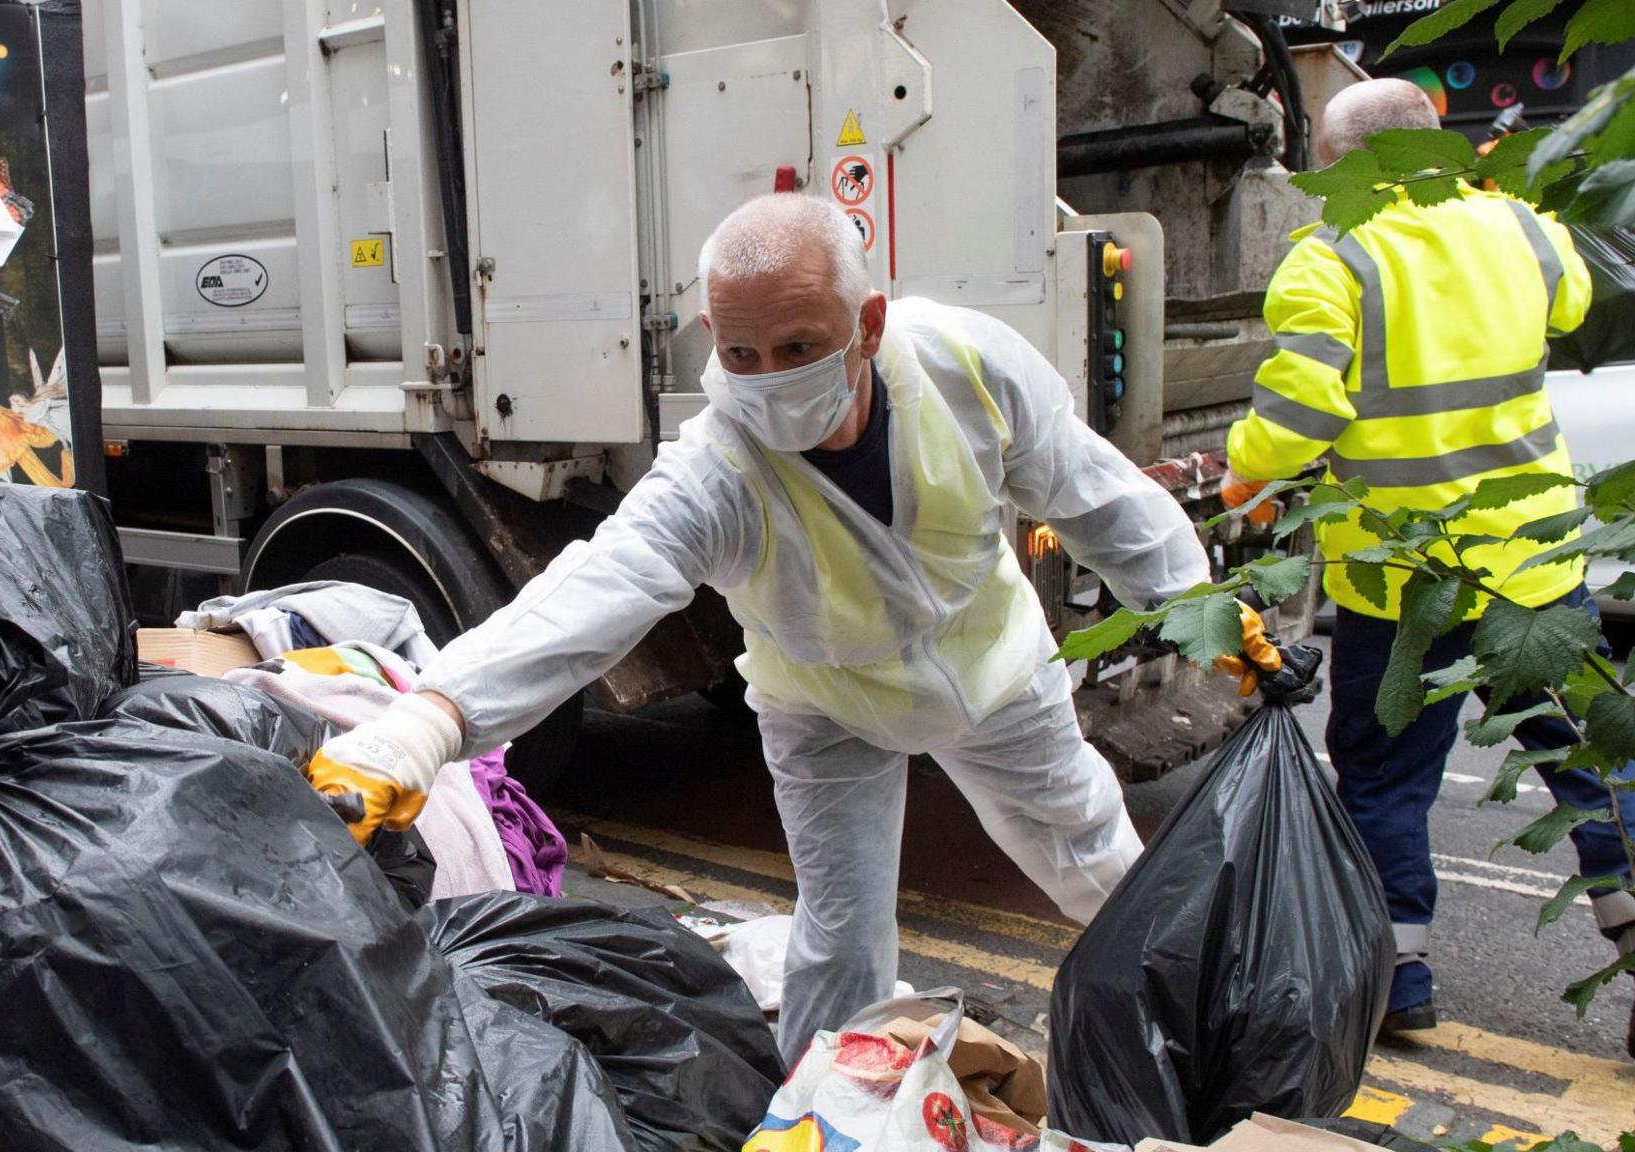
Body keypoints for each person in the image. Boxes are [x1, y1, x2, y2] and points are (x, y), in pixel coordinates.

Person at [307, 192, 1269, 1060]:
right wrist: (425, 722)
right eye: (740, 355)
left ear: (870, 324)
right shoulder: (719, 467)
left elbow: (1100, 499)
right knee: (842, 933)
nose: (766, 379)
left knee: (1099, 858)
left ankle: (1205, 1037)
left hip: (993, 677)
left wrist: (1210, 619)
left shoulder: (967, 367)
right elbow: (598, 590)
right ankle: (825, 1103)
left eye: (799, 347)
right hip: (824, 706)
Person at [1222, 78, 1635, 1046]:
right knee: (1589, 766)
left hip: (1399, 585)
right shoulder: (1520, 230)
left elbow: (1294, 422)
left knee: (1384, 778)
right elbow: (1570, 301)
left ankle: (1397, 978)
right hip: (1533, 568)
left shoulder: (1328, 262)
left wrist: (1243, 474)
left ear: (1344, 167)